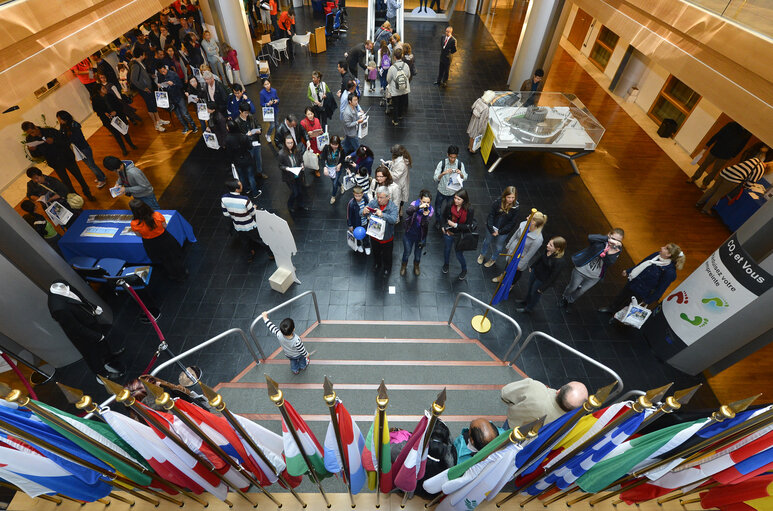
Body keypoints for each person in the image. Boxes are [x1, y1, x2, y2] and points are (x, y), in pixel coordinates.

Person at [48, 281, 124, 380]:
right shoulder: (58, 308)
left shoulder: (61, 283)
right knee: (91, 354)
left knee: (102, 342)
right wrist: (96, 336)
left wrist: (93, 307)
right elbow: (75, 328)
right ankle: (103, 374)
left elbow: (79, 298)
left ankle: (108, 357)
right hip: (81, 334)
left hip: (89, 320)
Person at [600, 243, 685, 315]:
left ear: (668, 254)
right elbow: (642, 263)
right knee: (621, 296)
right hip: (634, 281)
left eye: (665, 248)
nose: (661, 248)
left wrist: (648, 300)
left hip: (642, 292)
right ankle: (611, 309)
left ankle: (617, 318)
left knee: (628, 307)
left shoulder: (670, 272)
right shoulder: (656, 255)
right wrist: (629, 271)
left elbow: (661, 289)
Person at [22, 121, 95, 200]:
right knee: (66, 183)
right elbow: (36, 155)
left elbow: (66, 142)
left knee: (79, 177)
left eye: (32, 132)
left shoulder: (49, 131)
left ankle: (88, 193)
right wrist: (33, 150)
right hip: (55, 163)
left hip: (66, 157)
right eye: (29, 133)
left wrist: (54, 141)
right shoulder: (30, 139)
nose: (32, 135)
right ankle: (76, 199)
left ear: (35, 127)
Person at [561, 228, 625, 310]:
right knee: (573, 287)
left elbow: (609, 263)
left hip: (595, 276)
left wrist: (609, 254)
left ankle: (569, 301)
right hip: (581, 269)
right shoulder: (600, 241)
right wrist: (608, 239)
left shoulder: (617, 249)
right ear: (609, 235)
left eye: (618, 241)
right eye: (613, 238)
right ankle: (564, 297)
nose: (615, 242)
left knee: (581, 291)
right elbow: (590, 237)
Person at [129, 199, 187, 281]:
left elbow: (139, 235)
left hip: (151, 244)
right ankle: (182, 272)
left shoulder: (134, 223)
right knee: (173, 257)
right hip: (165, 239)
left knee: (164, 260)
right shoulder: (157, 215)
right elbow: (164, 226)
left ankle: (173, 275)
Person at [695, 153, 770, 214]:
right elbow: (750, 183)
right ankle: (705, 209)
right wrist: (746, 186)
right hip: (732, 180)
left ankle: (699, 202)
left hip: (725, 172)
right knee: (718, 195)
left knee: (713, 189)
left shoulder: (756, 160)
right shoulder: (760, 170)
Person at [501, 379, 588, 428]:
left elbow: (505, 393)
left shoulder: (534, 387)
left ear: (559, 391)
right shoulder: (571, 424)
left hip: (511, 426)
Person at [688, 121, 751, 189]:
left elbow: (742, 146)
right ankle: (694, 177)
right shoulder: (732, 124)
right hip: (717, 148)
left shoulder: (748, 133)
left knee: (715, 170)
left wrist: (734, 155)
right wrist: (708, 144)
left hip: (727, 154)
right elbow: (719, 133)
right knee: (705, 164)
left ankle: (705, 183)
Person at [56, 110, 107, 189]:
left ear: (64, 118)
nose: (59, 121)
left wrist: (67, 139)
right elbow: (62, 134)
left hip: (84, 148)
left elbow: (76, 138)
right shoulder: (64, 126)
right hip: (78, 150)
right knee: (90, 164)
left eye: (60, 119)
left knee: (91, 165)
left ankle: (102, 179)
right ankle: (102, 176)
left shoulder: (74, 125)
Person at [221, 179, 270, 262]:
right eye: (240, 185)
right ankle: (271, 254)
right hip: (250, 225)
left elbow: (226, 214)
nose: (242, 186)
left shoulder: (224, 198)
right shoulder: (244, 200)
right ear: (237, 189)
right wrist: (254, 207)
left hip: (238, 226)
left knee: (245, 242)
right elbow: (253, 213)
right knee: (259, 240)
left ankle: (249, 256)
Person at [515, 237, 567, 313]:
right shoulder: (547, 250)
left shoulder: (560, 261)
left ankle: (529, 308)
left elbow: (553, 277)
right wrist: (533, 266)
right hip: (535, 273)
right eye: (549, 243)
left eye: (551, 245)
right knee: (530, 288)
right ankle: (526, 301)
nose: (547, 245)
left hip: (542, 280)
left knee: (535, 293)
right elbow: (540, 258)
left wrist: (543, 288)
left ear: (558, 249)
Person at [493, 211, 546, 284]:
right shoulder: (524, 224)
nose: (526, 218)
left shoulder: (538, 239)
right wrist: (509, 245)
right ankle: (503, 276)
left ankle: (511, 284)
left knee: (516, 273)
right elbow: (515, 235)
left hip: (520, 257)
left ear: (533, 222)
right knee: (507, 265)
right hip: (512, 251)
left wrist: (520, 264)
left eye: (529, 217)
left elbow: (530, 254)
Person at [91, 84, 138, 156]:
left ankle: (131, 145)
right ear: (99, 91)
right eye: (103, 88)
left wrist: (115, 111)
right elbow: (97, 111)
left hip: (118, 117)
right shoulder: (95, 99)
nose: (105, 89)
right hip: (109, 121)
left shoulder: (110, 95)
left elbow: (119, 105)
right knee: (117, 135)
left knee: (124, 132)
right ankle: (124, 150)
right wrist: (104, 113)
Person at [478, 186, 519, 267]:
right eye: (509, 197)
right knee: (487, 241)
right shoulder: (497, 202)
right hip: (492, 227)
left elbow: (512, 223)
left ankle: (493, 259)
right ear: (505, 196)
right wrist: (491, 229)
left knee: (498, 246)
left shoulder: (516, 208)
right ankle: (482, 254)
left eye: (513, 197)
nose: (511, 199)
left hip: (503, 231)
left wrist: (499, 232)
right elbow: (491, 215)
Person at [364, 186, 399, 276]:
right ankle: (377, 264)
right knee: (376, 252)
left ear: (388, 197)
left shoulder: (393, 207)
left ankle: (387, 268)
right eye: (377, 197)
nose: (378, 200)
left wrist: (382, 214)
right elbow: (362, 211)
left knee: (387, 255)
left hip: (386, 238)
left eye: (381, 197)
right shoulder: (373, 203)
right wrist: (363, 211)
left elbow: (393, 220)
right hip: (374, 236)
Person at [440, 189, 474, 281]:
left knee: (459, 254)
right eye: (455, 198)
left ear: (464, 200)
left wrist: (455, 225)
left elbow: (469, 226)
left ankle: (464, 269)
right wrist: (443, 226)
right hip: (449, 232)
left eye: (459, 199)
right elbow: (443, 216)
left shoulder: (469, 209)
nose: (456, 201)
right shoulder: (450, 204)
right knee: (447, 249)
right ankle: (446, 264)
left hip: (460, 235)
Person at [129, 51, 168, 131]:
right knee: (150, 106)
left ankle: (158, 119)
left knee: (153, 104)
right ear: (141, 55)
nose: (145, 55)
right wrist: (143, 87)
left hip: (149, 88)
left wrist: (150, 76)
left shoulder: (140, 63)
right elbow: (133, 79)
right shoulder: (135, 65)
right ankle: (155, 124)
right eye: (143, 54)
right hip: (145, 90)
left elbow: (143, 74)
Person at [225, 119, 261, 199]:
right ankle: (255, 193)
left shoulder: (227, 139)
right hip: (247, 158)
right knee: (251, 176)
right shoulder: (243, 136)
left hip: (237, 160)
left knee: (241, 176)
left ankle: (247, 189)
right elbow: (250, 147)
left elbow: (229, 153)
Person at [400, 190, 433, 276]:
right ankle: (403, 266)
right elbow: (408, 211)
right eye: (424, 201)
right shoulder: (415, 204)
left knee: (418, 254)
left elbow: (425, 225)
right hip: (409, 233)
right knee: (407, 252)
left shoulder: (431, 210)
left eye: (428, 202)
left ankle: (416, 266)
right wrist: (419, 207)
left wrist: (426, 216)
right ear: (420, 200)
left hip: (421, 236)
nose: (426, 204)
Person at [433, 145, 467, 228]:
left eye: (454, 157)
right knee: (438, 207)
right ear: (447, 155)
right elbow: (435, 178)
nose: (452, 159)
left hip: (453, 193)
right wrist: (443, 173)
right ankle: (438, 220)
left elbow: (465, 177)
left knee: (450, 209)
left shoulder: (459, 164)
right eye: (451, 157)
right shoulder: (442, 163)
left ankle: (447, 221)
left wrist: (461, 174)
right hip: (442, 190)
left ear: (457, 156)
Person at [156, 65, 197, 133]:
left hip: (179, 96)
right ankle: (185, 126)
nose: (163, 73)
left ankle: (194, 126)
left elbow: (181, 85)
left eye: (164, 71)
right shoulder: (160, 77)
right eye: (161, 72)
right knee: (179, 116)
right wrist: (160, 86)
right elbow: (162, 87)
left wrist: (173, 84)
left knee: (185, 113)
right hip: (171, 99)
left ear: (166, 68)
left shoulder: (173, 74)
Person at [234, 101, 268, 180]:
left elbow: (258, 125)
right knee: (250, 161)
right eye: (245, 113)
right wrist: (246, 135)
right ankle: (251, 175)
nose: (247, 114)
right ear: (240, 111)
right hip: (247, 145)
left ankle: (259, 172)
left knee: (259, 159)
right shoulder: (237, 122)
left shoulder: (251, 116)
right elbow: (237, 136)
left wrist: (259, 130)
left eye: (248, 112)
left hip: (256, 142)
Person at [278, 135, 307, 213]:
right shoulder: (281, 153)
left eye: (291, 143)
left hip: (298, 174)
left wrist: (302, 165)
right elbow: (280, 166)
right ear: (285, 143)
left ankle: (301, 204)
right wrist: (287, 168)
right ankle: (290, 205)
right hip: (289, 176)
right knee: (295, 192)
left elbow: (301, 160)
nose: (290, 145)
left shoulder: (297, 150)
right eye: (288, 143)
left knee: (300, 191)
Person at [386, 47, 411, 126]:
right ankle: (400, 115)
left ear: (394, 57)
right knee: (401, 103)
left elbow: (388, 79)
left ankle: (395, 120)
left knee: (395, 105)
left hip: (395, 90)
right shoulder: (406, 65)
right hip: (404, 89)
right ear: (402, 56)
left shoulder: (392, 68)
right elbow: (408, 75)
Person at [386, 144, 411, 216]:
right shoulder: (400, 158)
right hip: (400, 182)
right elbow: (394, 163)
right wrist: (389, 163)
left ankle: (400, 209)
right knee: (400, 197)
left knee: (399, 198)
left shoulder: (401, 164)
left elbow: (395, 176)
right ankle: (400, 208)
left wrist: (387, 170)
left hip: (400, 184)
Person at [321, 135, 346, 204]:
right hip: (329, 167)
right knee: (334, 180)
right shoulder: (326, 148)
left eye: (336, 144)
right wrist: (325, 167)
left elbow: (343, 159)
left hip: (337, 168)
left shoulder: (341, 150)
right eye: (332, 144)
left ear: (339, 144)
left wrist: (340, 164)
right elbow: (322, 158)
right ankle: (341, 185)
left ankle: (333, 196)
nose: (334, 146)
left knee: (334, 183)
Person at [347, 186, 371, 254]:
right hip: (356, 223)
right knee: (357, 235)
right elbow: (349, 215)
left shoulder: (366, 198)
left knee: (366, 235)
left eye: (359, 196)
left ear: (362, 194)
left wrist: (368, 215)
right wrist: (350, 225)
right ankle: (359, 245)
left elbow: (369, 208)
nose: (358, 198)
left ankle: (367, 246)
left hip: (365, 221)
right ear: (353, 194)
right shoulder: (351, 204)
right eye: (356, 196)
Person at [259, 78, 280, 144]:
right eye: (265, 84)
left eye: (268, 84)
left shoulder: (274, 90)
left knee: (277, 124)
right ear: (263, 85)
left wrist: (276, 101)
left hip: (275, 109)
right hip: (268, 111)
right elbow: (262, 104)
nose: (267, 85)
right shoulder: (262, 93)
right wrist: (267, 104)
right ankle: (268, 134)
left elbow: (278, 99)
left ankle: (277, 136)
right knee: (272, 125)